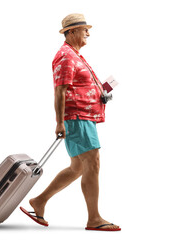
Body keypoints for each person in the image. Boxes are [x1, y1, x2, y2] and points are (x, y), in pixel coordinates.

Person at [20, 13, 120, 231]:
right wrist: (59, 123)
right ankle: (94, 219)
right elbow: (60, 91)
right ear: (72, 31)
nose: (88, 33)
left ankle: (39, 201)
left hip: (82, 118)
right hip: (77, 118)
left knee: (77, 168)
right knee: (92, 163)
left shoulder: (75, 55)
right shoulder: (65, 56)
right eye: (85, 30)